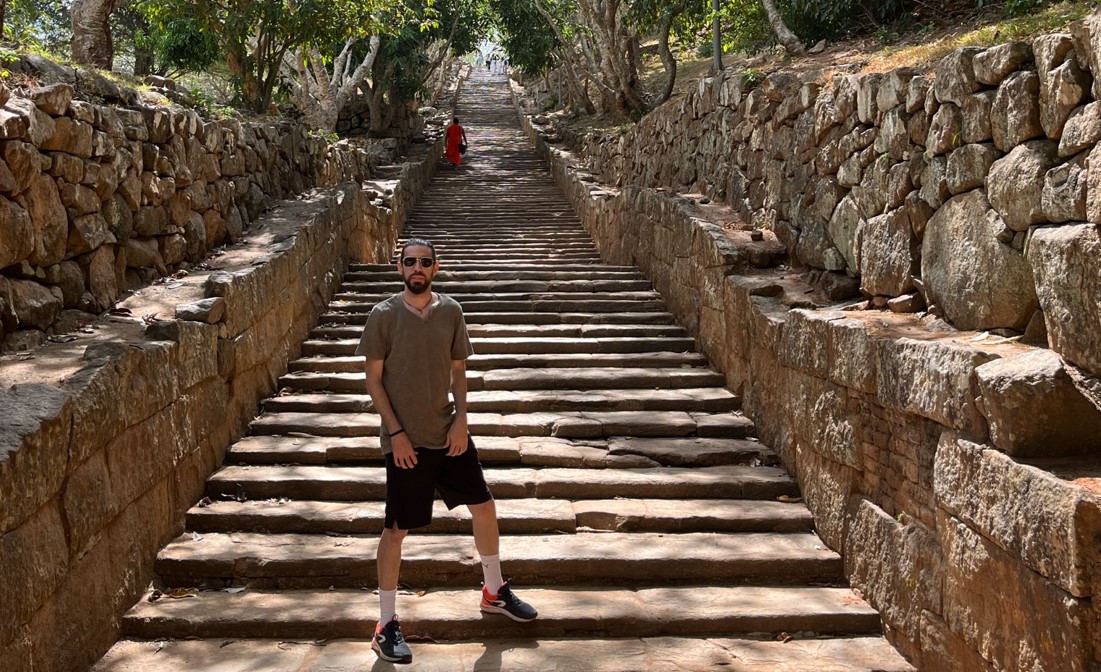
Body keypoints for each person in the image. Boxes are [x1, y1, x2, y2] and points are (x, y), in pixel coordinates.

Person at [358, 238, 538, 665]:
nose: (416, 268)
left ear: (436, 267)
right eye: (409, 262)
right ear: (399, 268)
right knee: (397, 530)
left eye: (424, 262)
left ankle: (493, 591)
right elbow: (373, 381)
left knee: (485, 506)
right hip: (405, 442)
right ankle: (385, 625)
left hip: (447, 433)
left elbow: (459, 372)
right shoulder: (383, 316)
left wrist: (462, 419)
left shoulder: (451, 311)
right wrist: (396, 433)